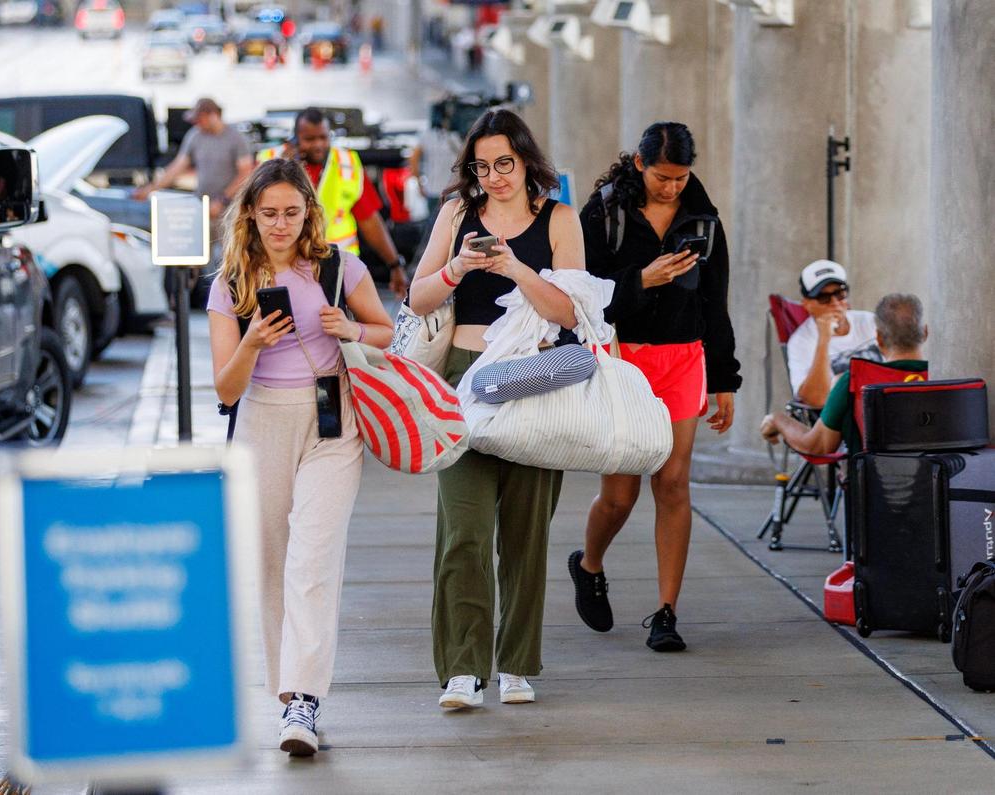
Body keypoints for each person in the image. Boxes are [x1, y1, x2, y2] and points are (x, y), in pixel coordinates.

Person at [206, 158, 393, 756]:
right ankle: (289, 699)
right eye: (269, 214)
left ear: (308, 211)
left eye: (292, 212)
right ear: (250, 217)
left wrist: (350, 330)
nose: (281, 225)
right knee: (273, 562)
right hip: (261, 420)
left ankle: (306, 701)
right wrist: (255, 341)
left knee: (313, 559)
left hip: (334, 420)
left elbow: (388, 331)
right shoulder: (230, 283)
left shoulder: (338, 266)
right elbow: (225, 390)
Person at [409, 108, 583, 709]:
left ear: (526, 160)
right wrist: (458, 267)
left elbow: (570, 310)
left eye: (504, 163)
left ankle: (515, 663)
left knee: (525, 532)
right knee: (465, 530)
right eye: (482, 167)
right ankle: (463, 666)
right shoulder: (458, 214)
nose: (495, 177)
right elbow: (418, 294)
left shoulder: (559, 218)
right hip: (463, 380)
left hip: (534, 378)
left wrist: (514, 266)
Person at [569, 121, 741, 652]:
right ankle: (589, 564)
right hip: (624, 360)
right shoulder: (604, 214)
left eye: (681, 177)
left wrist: (724, 378)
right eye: (662, 177)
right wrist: (644, 279)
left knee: (673, 484)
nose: (671, 188)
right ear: (640, 165)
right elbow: (581, 296)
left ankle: (666, 612)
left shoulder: (704, 221)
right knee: (619, 496)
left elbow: (716, 301)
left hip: (684, 358)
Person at [257, 107, 409, 299]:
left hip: (339, 268)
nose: (318, 145)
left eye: (323, 137)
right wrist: (284, 169)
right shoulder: (269, 162)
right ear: (294, 139)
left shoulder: (347, 164)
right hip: (284, 268)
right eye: (309, 139)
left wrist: (395, 264)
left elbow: (369, 220)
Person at [761, 293, 928, 455]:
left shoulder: (852, 381)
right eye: (824, 297)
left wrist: (778, 420)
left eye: (840, 294)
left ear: (878, 338)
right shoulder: (939, 377)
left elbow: (818, 445)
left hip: (873, 481)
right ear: (925, 333)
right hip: (937, 480)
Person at [134, 97, 254, 231]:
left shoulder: (236, 138)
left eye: (199, 119)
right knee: (200, 247)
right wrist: (151, 188)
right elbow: (176, 167)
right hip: (202, 204)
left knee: (227, 248)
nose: (196, 123)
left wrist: (222, 200)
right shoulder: (195, 136)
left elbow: (245, 173)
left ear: (213, 115)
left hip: (229, 208)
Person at [787, 260, 882, 407]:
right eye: (823, 297)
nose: (834, 302)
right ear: (807, 304)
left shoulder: (870, 321)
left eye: (840, 293)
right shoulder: (800, 342)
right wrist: (824, 339)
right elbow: (817, 400)